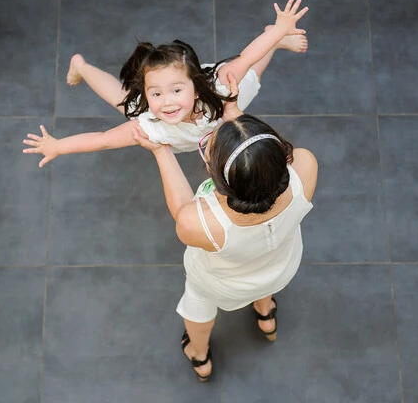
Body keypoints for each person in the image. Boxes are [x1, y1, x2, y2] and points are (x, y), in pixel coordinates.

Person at [132, 73, 318, 382]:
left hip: (223, 285)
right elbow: (265, 158)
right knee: (265, 276)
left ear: (215, 176)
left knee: (198, 306)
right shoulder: (306, 167)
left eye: (207, 150)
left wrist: (161, 151)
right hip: (281, 267)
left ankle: (199, 354)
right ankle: (265, 311)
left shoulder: (203, 224)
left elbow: (182, 212)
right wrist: (234, 116)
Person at [22, 0, 309, 167]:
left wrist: (279, 30)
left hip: (217, 102)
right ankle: (81, 66)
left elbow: (249, 55)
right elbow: (102, 141)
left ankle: (277, 39)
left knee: (251, 73)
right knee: (120, 101)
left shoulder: (220, 84)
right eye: (156, 93)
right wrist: (58, 146)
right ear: (147, 93)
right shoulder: (149, 122)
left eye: (176, 90)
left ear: (195, 86)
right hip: (194, 119)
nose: (167, 102)